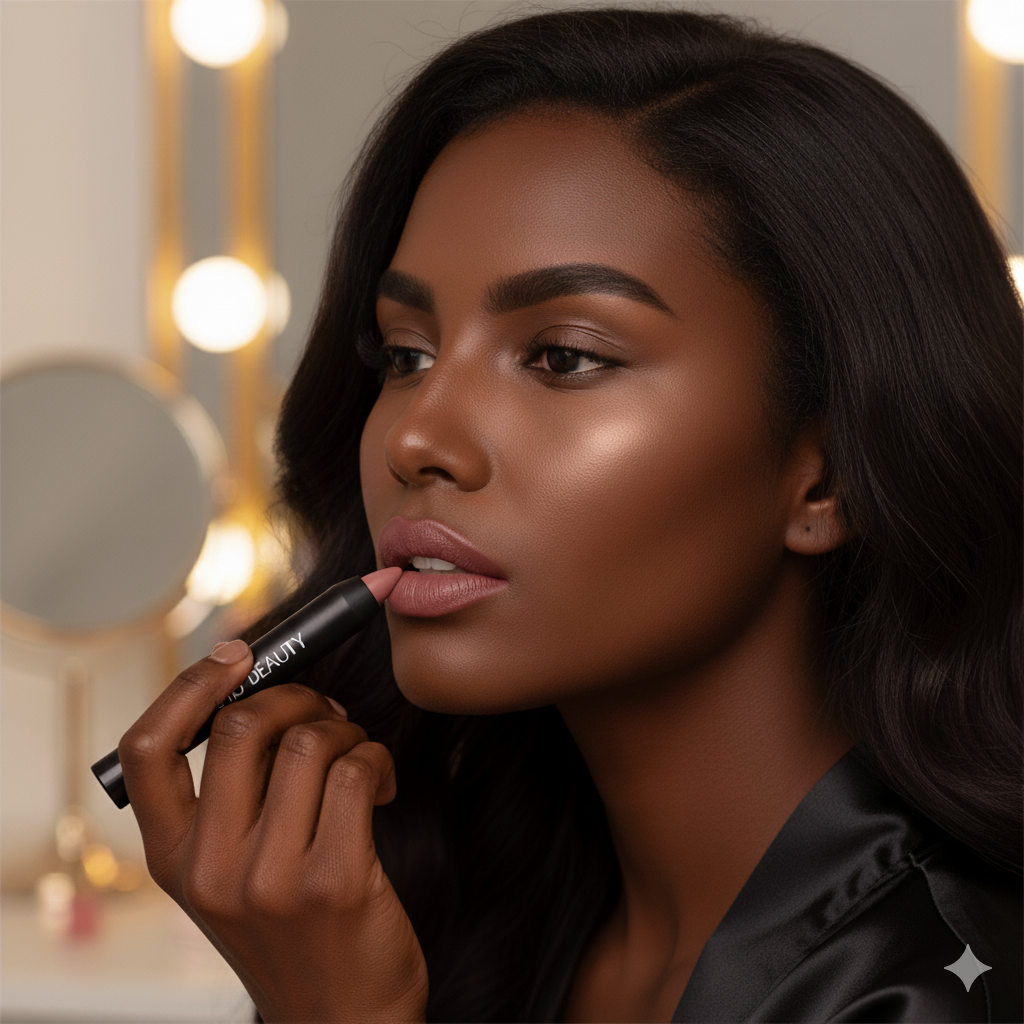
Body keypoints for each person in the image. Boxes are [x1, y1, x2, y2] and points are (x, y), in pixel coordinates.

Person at [118, 8, 1022, 1022]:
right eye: (405, 353)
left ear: (826, 478)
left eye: (563, 356)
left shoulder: (932, 991)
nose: (418, 437)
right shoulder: (479, 907)